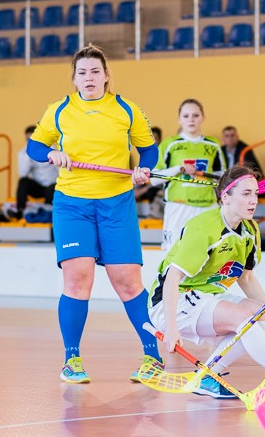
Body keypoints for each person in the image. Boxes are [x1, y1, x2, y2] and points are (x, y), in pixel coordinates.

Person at [26, 44, 163, 384]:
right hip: (73, 205)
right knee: (77, 278)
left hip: (117, 204)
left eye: (95, 72)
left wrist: (144, 169)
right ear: (74, 79)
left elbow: (148, 150)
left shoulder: (126, 109)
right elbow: (34, 146)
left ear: (106, 76)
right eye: (82, 72)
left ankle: (153, 357)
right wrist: (51, 154)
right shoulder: (58, 111)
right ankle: (71, 360)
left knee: (128, 282)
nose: (89, 78)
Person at [148, 165, 265, 401]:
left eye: (255, 193)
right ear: (226, 198)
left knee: (263, 318)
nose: (254, 200)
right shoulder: (203, 228)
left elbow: (246, 277)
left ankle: (206, 376)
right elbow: (172, 278)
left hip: (207, 296)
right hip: (173, 301)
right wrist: (171, 328)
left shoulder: (250, 230)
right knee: (243, 319)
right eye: (246, 194)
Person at [154, 99, 225, 250]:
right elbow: (154, 179)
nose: (191, 119)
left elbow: (222, 176)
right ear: (179, 119)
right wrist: (179, 168)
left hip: (207, 206)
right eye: (186, 116)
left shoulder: (213, 144)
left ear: (203, 118)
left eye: (195, 115)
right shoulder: (169, 144)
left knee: (210, 252)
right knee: (174, 253)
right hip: (178, 206)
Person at [10, 125, 59, 220]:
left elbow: (60, 170)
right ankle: (20, 210)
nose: (30, 142)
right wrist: (29, 157)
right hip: (38, 188)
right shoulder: (23, 153)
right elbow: (22, 174)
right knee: (23, 182)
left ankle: (47, 213)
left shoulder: (52, 149)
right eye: (27, 139)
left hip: (52, 186)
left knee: (52, 189)